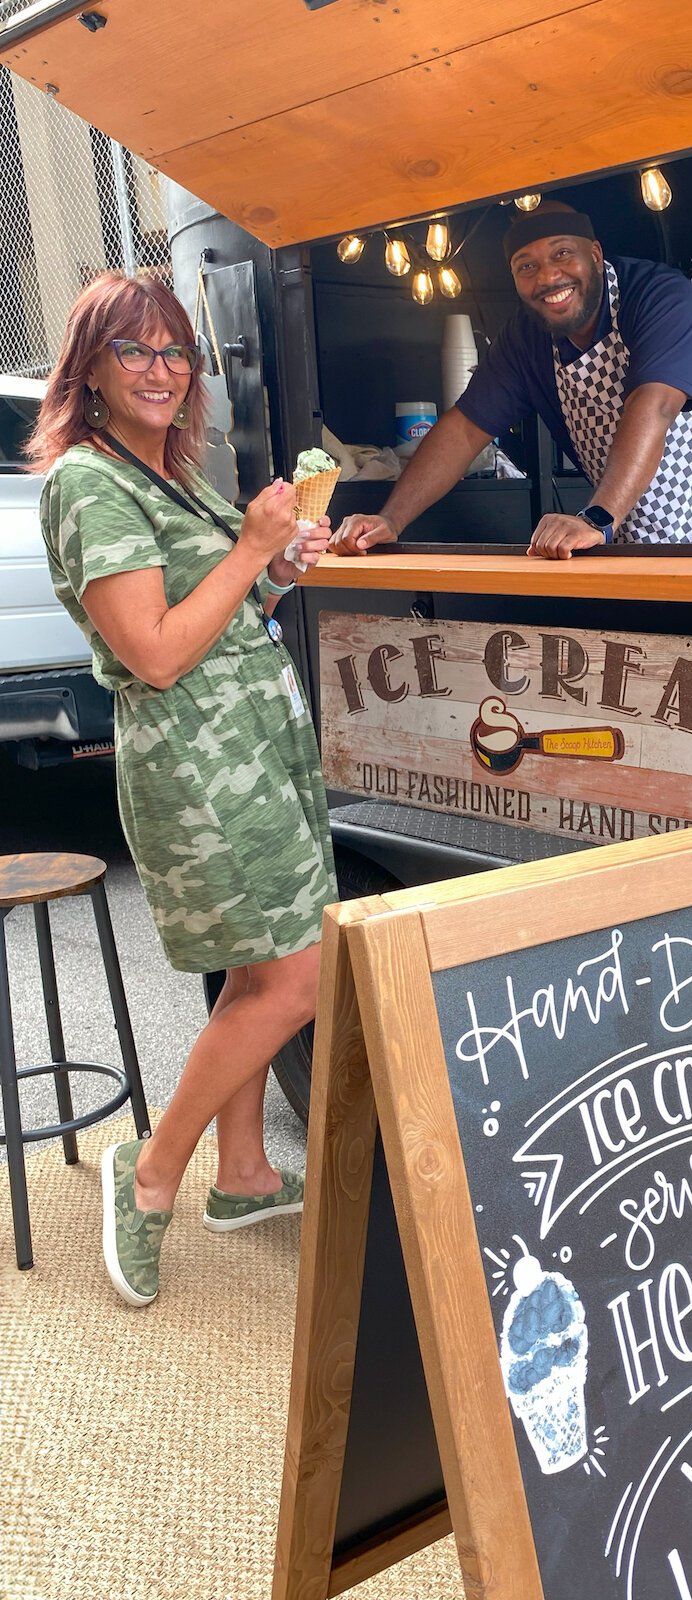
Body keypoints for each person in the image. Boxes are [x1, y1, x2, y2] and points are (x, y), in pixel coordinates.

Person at [29, 273, 336, 1308]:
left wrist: (279, 566)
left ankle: (243, 1177)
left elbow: (230, 610)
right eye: (135, 350)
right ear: (90, 370)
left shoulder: (173, 471)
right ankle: (153, 1172)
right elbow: (155, 653)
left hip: (251, 743)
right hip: (200, 765)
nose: (160, 371)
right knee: (293, 980)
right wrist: (251, 544)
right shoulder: (88, 483)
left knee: (257, 978)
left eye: (175, 352)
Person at [333, 200, 692, 560]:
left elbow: (654, 405)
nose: (548, 276)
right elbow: (464, 428)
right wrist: (390, 519)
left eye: (562, 254)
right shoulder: (526, 337)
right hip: (637, 522)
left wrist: (596, 516)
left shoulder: (657, 294)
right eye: (526, 266)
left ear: (594, 255)